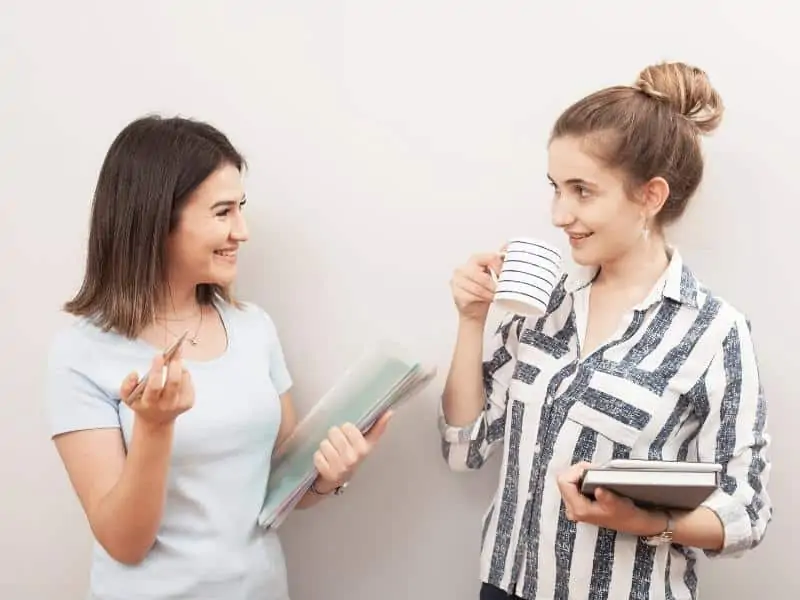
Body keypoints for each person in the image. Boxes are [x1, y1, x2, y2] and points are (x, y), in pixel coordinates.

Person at [440, 61, 772, 600]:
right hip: (503, 586)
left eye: (581, 191)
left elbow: (747, 511)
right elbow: (464, 450)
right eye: (555, 188)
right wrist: (471, 320)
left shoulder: (715, 334)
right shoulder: (544, 304)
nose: (558, 213)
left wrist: (647, 521)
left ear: (650, 196)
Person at [45, 115, 392, 600]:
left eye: (241, 208)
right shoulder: (82, 352)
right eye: (223, 211)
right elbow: (124, 544)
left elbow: (276, 486)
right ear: (157, 218)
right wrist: (154, 428)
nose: (242, 231)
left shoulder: (253, 328)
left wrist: (329, 478)